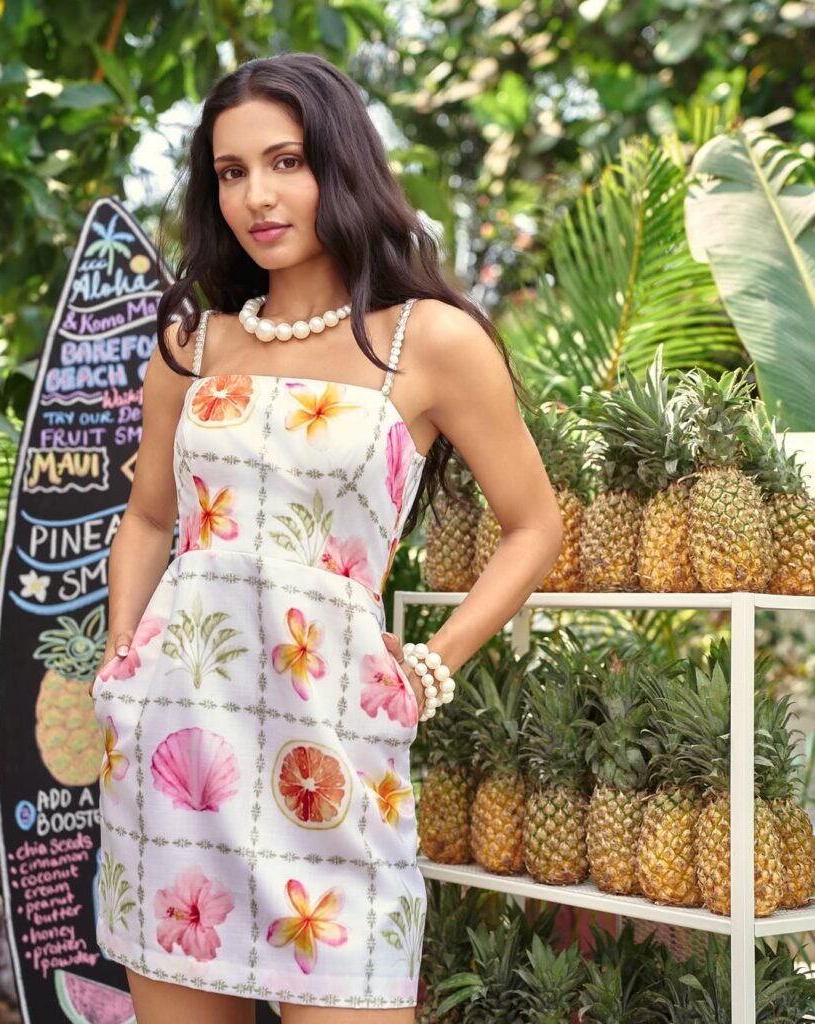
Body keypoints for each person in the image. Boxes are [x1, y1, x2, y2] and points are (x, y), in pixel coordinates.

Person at [90, 52, 562, 1024]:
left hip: (333, 751)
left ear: (337, 166)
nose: (257, 196)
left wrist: (433, 662)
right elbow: (146, 517)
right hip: (178, 747)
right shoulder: (193, 343)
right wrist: (120, 663)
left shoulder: (423, 342)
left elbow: (536, 523)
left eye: (286, 161)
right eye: (230, 172)